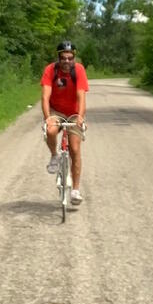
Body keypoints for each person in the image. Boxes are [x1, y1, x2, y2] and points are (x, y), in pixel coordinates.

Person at [40, 41, 89, 205]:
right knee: (51, 130)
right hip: (56, 111)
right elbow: (45, 97)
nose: (67, 62)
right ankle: (54, 155)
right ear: (58, 58)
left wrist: (80, 117)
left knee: (75, 149)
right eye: (63, 58)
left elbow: (81, 97)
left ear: (74, 57)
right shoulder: (50, 70)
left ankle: (75, 190)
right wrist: (48, 117)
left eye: (70, 58)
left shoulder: (79, 70)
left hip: (74, 113)